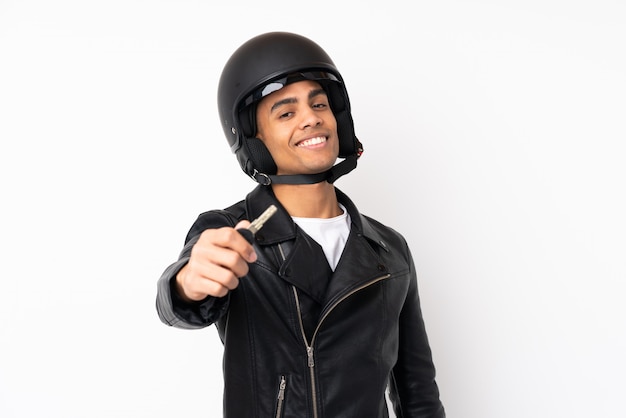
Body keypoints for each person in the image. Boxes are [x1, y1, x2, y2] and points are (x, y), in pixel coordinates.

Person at [156, 31, 445, 418]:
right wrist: (186, 283)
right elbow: (181, 303)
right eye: (287, 112)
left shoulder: (390, 249)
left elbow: (418, 391)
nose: (311, 118)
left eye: (320, 104)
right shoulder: (228, 231)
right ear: (254, 139)